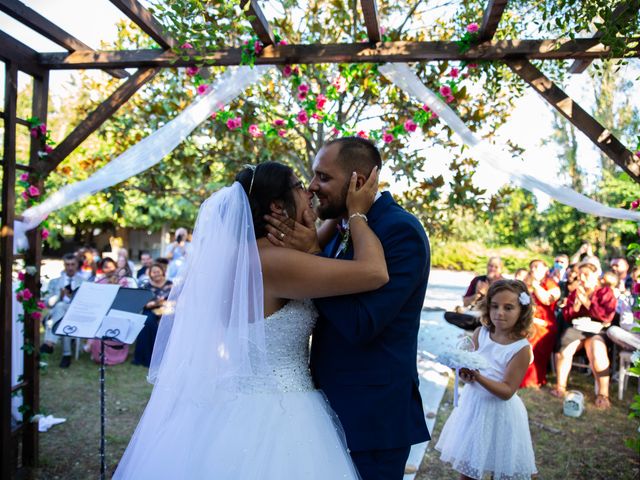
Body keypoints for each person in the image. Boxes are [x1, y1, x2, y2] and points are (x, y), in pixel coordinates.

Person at [114, 160, 387, 479]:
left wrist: (320, 227)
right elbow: (374, 272)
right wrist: (356, 213)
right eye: (299, 186)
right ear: (276, 205)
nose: (309, 191)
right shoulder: (275, 263)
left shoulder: (239, 257)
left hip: (228, 403)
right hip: (280, 411)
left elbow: (312, 244)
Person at [265, 137, 430, 479]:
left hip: (371, 418)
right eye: (312, 176)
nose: (312, 186)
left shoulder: (399, 231)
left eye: (323, 178)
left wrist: (312, 259)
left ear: (359, 180)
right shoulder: (340, 226)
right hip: (322, 408)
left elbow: (362, 323)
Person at [435, 279, 537, 480]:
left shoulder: (520, 348)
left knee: (502, 468)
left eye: (508, 308)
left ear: (522, 311)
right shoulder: (481, 333)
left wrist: (478, 377)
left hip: (500, 414)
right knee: (469, 469)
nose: (500, 313)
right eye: (495, 306)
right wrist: (462, 372)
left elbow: (507, 391)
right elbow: (470, 365)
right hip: (474, 407)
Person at [551, 262, 617, 409]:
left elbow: (607, 316)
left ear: (595, 275)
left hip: (597, 329)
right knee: (564, 349)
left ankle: (603, 394)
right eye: (580, 274)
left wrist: (587, 302)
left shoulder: (605, 292)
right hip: (578, 328)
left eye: (586, 274)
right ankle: (560, 387)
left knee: (596, 349)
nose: (582, 277)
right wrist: (574, 306)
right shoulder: (576, 292)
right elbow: (568, 317)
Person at [39, 253, 85, 368]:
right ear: (64, 265)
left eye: (72, 264)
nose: (70, 267)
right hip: (58, 315)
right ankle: (66, 355)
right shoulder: (55, 282)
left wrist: (71, 298)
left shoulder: (84, 282)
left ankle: (50, 342)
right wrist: (59, 295)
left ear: (77, 265)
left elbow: (86, 304)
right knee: (63, 317)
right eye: (67, 264)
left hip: (76, 314)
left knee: (61, 308)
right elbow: (47, 303)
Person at [521, 259, 560, 388]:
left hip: (544, 325)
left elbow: (547, 300)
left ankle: (529, 380)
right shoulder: (525, 284)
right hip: (526, 322)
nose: (533, 269)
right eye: (531, 267)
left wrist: (536, 285)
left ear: (546, 270)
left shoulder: (551, 284)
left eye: (537, 267)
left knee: (529, 341)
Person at [132, 263, 172, 367]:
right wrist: (158, 303)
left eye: (158, 271)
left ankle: (165, 356)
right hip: (151, 310)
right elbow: (144, 303)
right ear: (150, 274)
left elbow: (176, 300)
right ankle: (148, 357)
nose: (156, 274)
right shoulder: (146, 285)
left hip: (168, 310)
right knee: (147, 321)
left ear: (162, 272)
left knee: (169, 320)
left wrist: (162, 303)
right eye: (153, 272)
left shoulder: (170, 284)